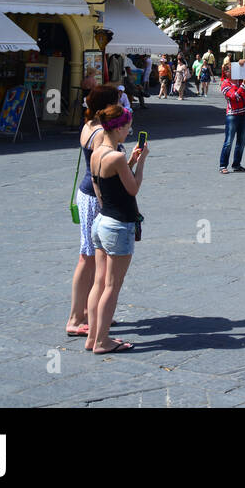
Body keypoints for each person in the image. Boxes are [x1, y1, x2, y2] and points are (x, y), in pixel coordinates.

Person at [84, 103, 147, 354]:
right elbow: (132, 189)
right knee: (112, 285)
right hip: (118, 224)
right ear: (119, 128)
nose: (128, 133)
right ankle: (102, 341)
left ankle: (92, 337)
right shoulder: (117, 156)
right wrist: (141, 163)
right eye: (128, 129)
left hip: (101, 221)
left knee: (99, 283)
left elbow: (104, 188)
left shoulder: (98, 152)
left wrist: (130, 162)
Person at [65, 84, 123, 339]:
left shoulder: (88, 125)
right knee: (88, 256)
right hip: (94, 195)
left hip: (86, 191)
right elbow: (100, 170)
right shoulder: (100, 131)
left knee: (88, 256)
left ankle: (88, 312)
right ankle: (76, 317)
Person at [219, 61, 245, 174]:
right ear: (227, 72)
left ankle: (237, 165)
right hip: (232, 115)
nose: (237, 70)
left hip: (244, 114)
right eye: (234, 69)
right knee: (228, 141)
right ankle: (223, 165)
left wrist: (244, 61)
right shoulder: (225, 84)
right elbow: (235, 96)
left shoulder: (239, 81)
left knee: (241, 142)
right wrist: (244, 84)